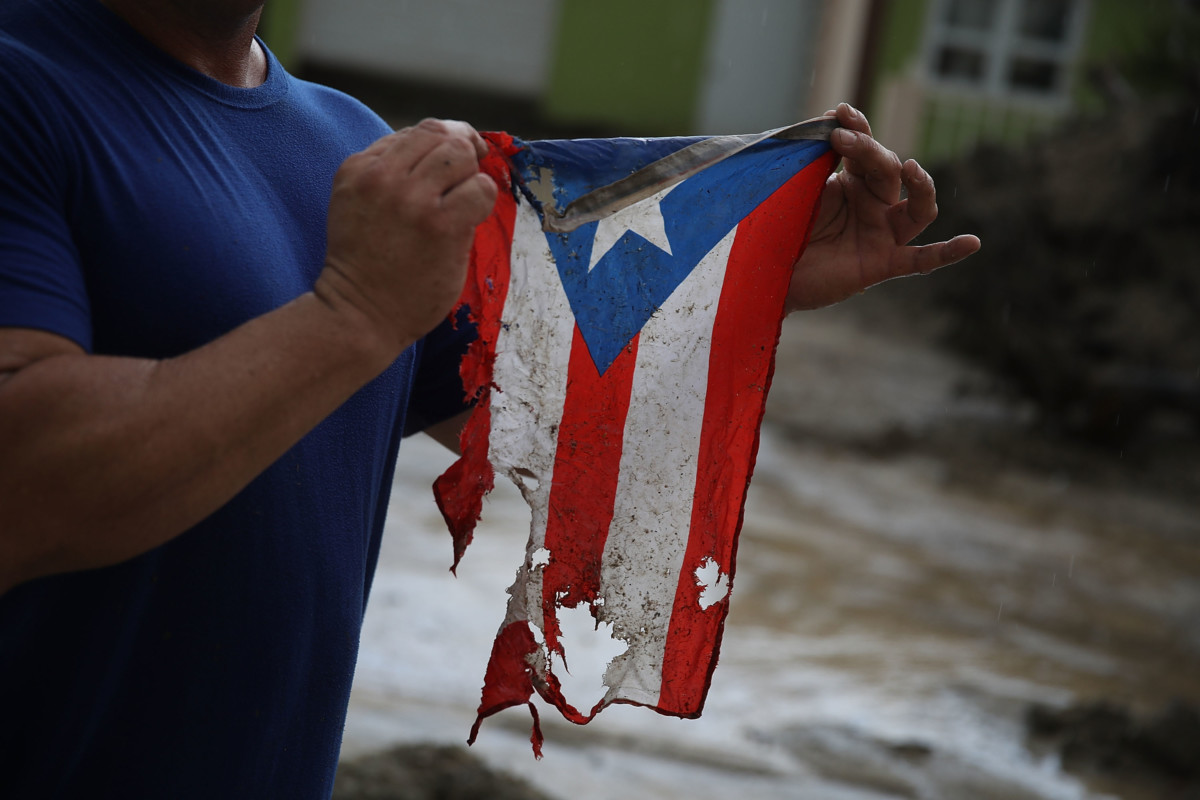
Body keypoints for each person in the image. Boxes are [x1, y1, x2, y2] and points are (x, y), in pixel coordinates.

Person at [0, 0, 981, 797]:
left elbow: (515, 411)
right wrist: (352, 312)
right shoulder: (21, 84)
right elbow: (22, 483)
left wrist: (746, 273)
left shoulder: (345, 140)